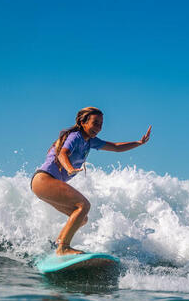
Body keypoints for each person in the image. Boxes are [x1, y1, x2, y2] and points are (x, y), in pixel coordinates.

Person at [31, 106, 151, 256]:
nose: (98, 127)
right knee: (84, 205)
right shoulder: (75, 136)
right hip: (44, 179)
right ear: (83, 122)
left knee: (82, 218)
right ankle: (63, 248)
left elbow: (115, 147)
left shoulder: (90, 141)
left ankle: (57, 244)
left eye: (101, 124)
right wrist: (69, 168)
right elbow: (62, 153)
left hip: (42, 184)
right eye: (95, 123)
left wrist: (139, 142)